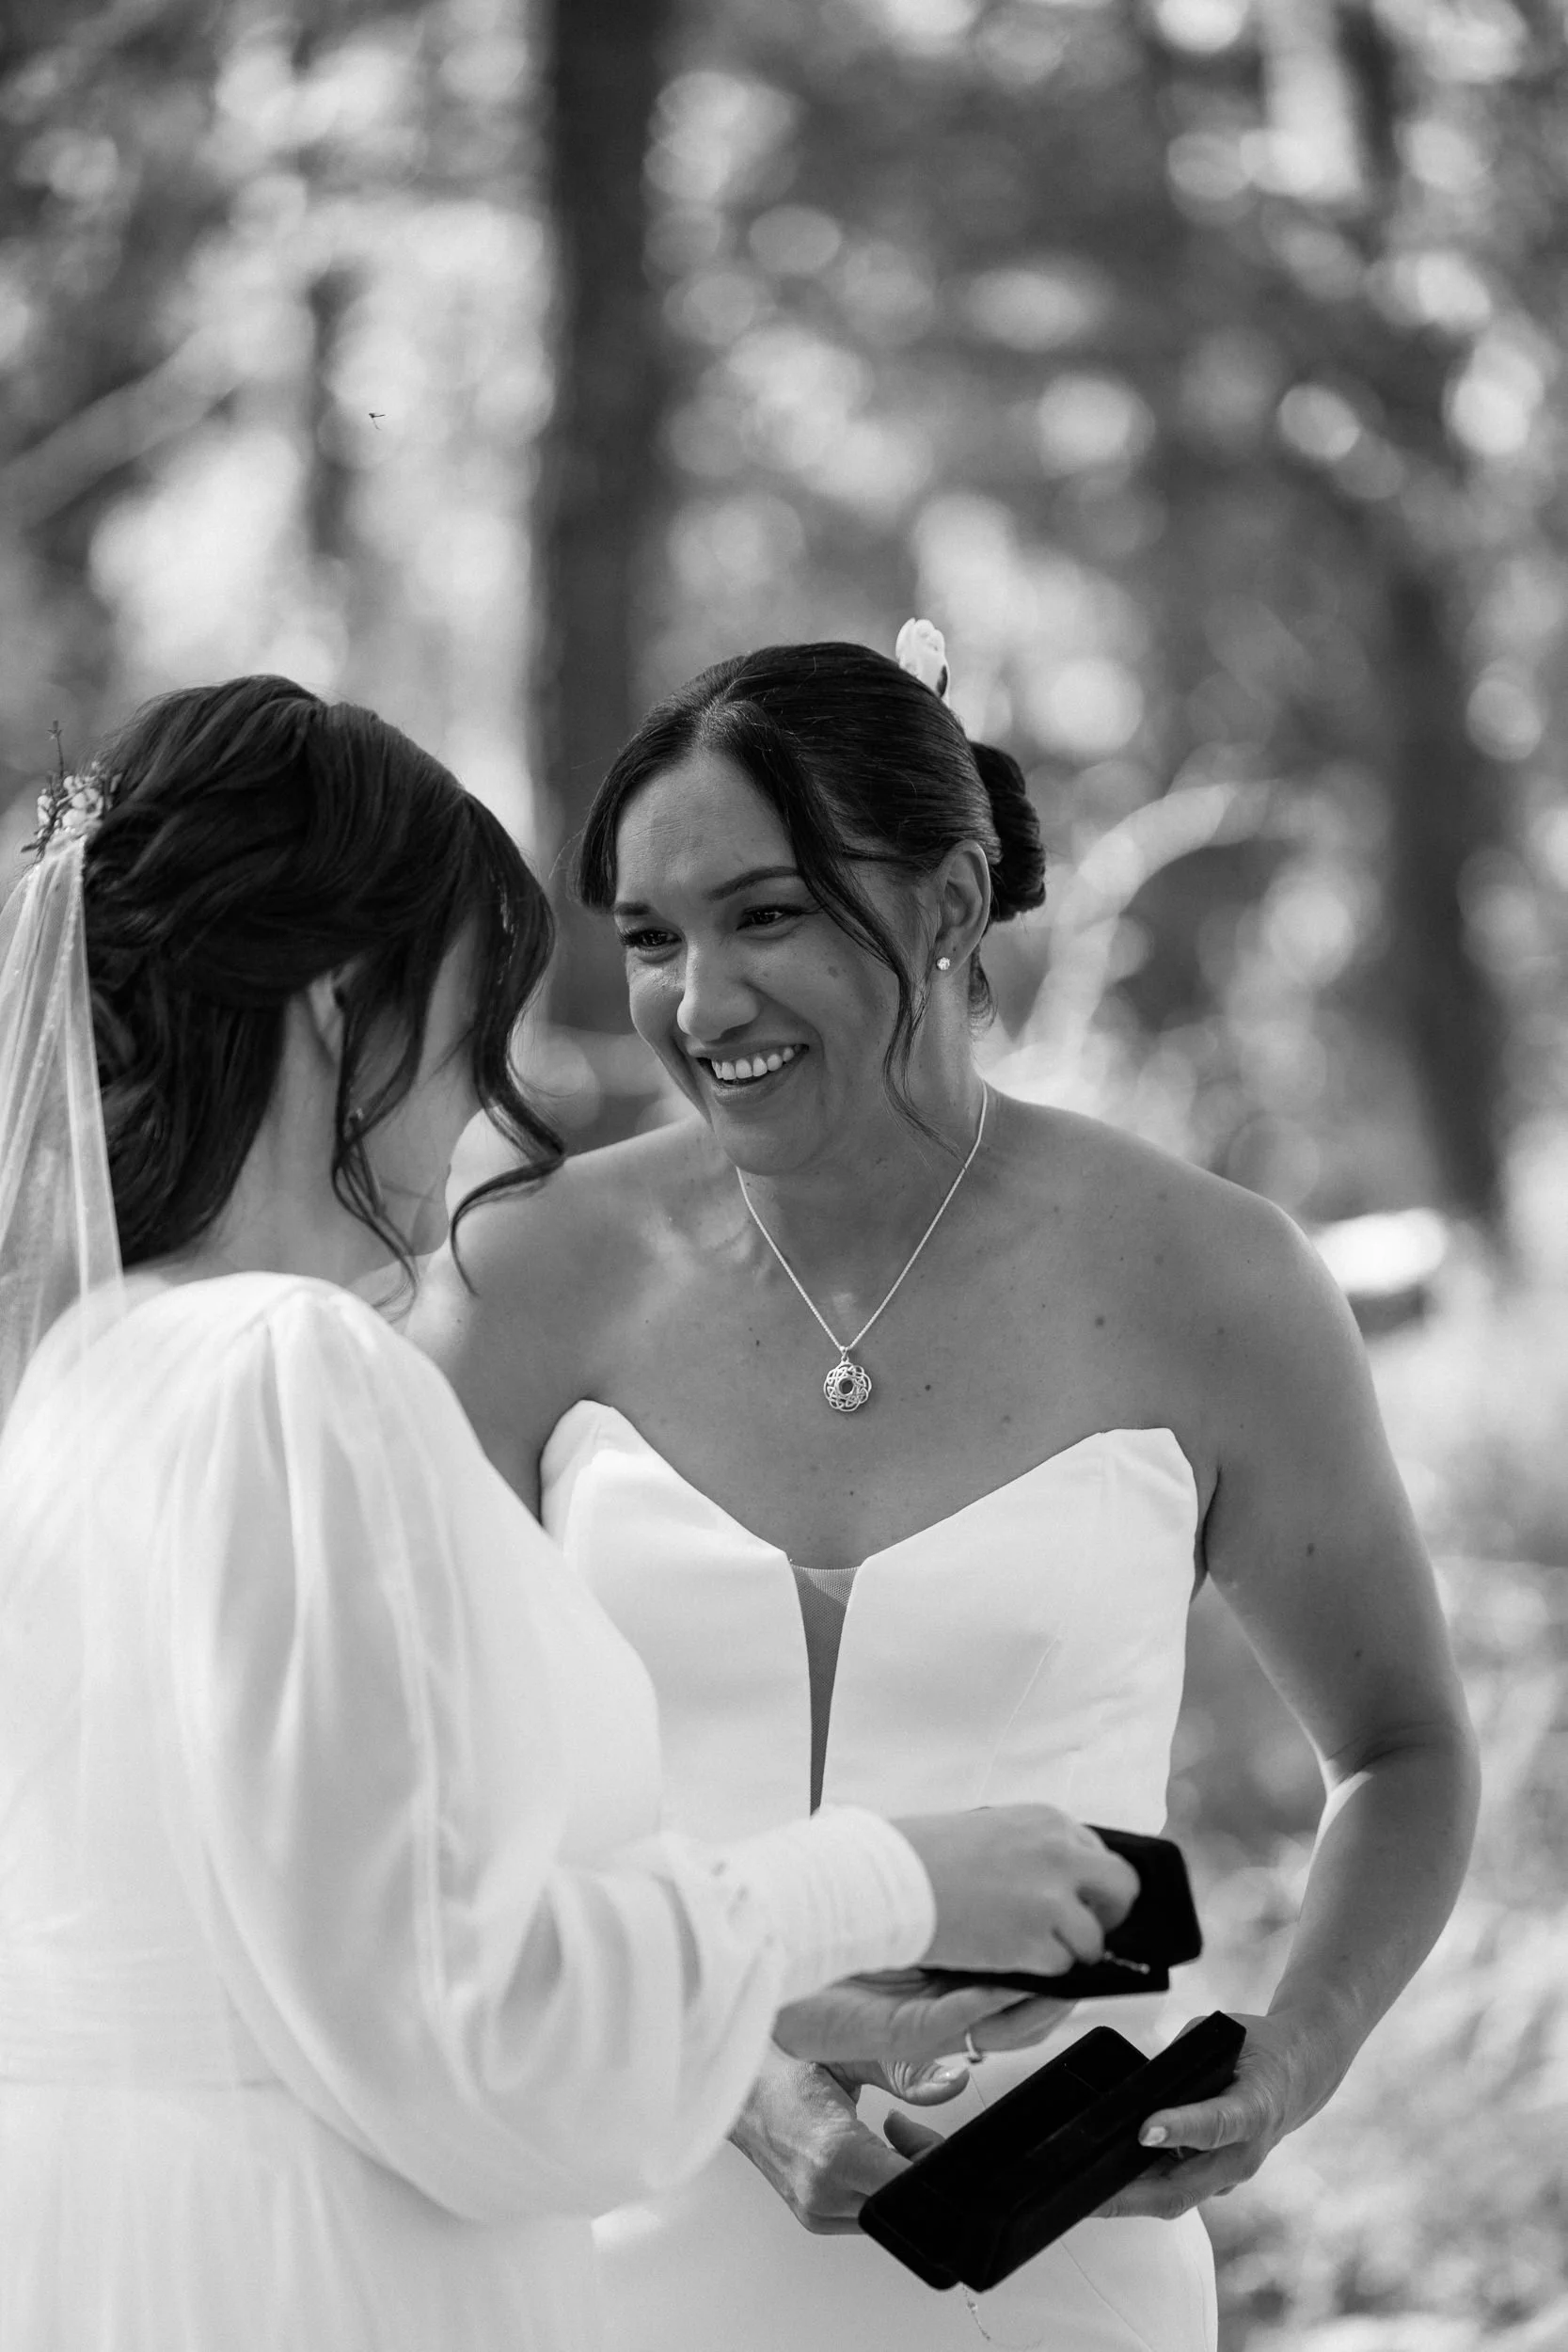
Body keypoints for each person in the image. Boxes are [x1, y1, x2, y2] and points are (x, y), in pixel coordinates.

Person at [0, 674, 1143, 2352]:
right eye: (473, 1021)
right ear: (341, 1008)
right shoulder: (292, 1373)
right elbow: (482, 2040)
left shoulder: (85, 1386)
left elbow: (314, 1961)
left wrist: (766, 1993)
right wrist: (887, 1878)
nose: (488, 1097)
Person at [413, 630, 1481, 2352]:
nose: (700, 1005)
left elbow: (1403, 1751)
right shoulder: (528, 1274)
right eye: (652, 938)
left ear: (950, 901)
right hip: (595, 2253)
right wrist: (727, 2075)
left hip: (1054, 2273)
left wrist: (1289, 2060)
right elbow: (423, 1813)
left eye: (766, 917)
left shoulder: (1216, 1282)